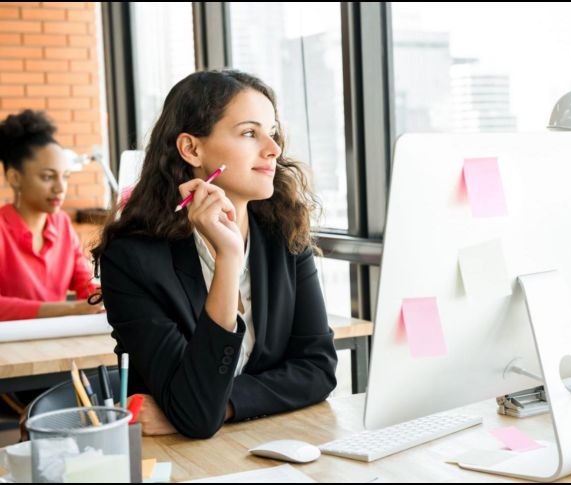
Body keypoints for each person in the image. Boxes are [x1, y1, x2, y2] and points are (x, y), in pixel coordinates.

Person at [92, 70, 338, 439]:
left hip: (267, 442)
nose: (273, 149)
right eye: (250, 133)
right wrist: (228, 261)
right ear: (192, 149)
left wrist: (225, 404)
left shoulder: (283, 233)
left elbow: (318, 369)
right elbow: (195, 417)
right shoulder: (132, 260)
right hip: (176, 462)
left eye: (272, 133)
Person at [0, 109, 101, 321]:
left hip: (52, 345)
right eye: (48, 177)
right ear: (14, 178)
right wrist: (69, 309)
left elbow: (86, 283)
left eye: (65, 177)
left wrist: (108, 295)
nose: (60, 188)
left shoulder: (62, 224)